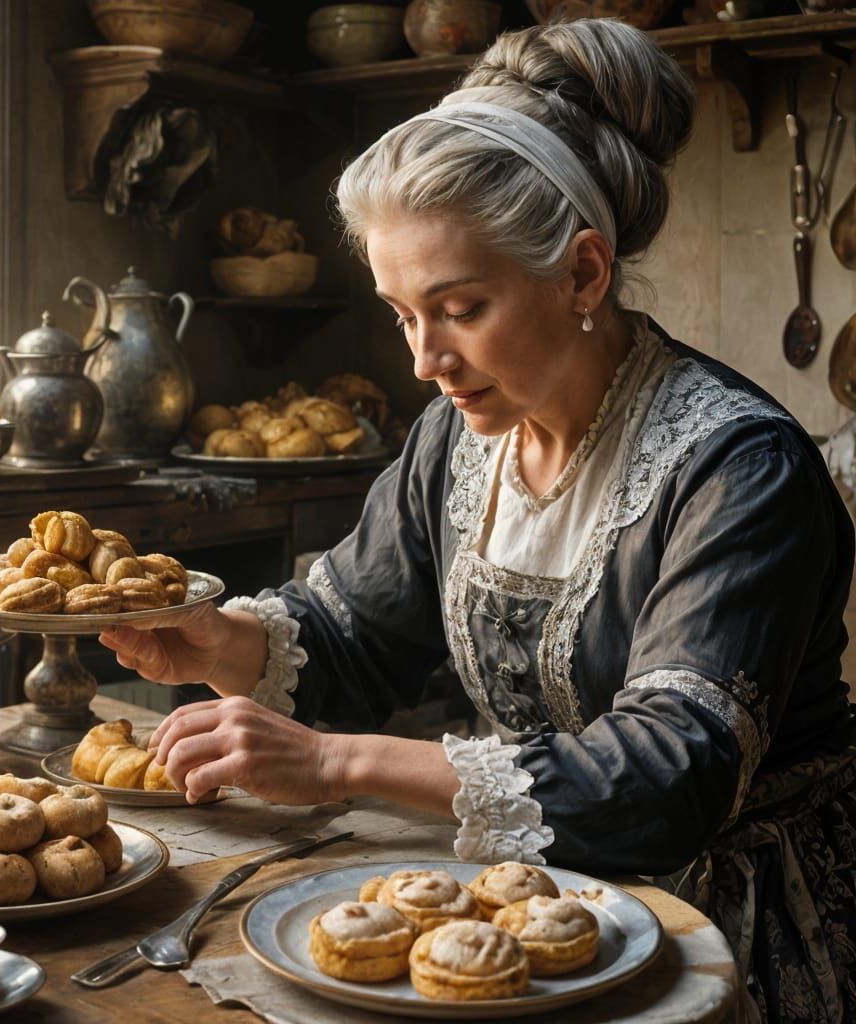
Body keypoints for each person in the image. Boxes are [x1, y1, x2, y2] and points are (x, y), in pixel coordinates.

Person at [100, 19, 856, 1022]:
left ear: (583, 273)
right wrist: (217, 639)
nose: (423, 358)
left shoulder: (736, 465)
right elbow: (352, 635)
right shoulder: (458, 441)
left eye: (457, 307)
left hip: (731, 926)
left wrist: (336, 763)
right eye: (403, 312)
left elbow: (669, 777)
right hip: (524, 908)